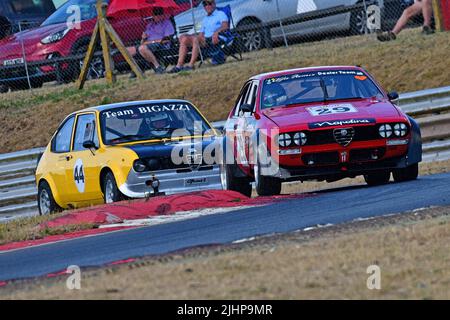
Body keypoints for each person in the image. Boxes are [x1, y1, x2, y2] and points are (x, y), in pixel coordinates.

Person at [169, 0, 229, 73]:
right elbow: (201, 34)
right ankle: (179, 66)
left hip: (217, 38)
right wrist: (190, 36)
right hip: (205, 40)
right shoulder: (205, 19)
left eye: (209, 3)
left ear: (214, 4)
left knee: (195, 40)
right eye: (205, 4)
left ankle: (191, 65)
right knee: (184, 38)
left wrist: (216, 32)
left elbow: (225, 26)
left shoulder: (220, 14)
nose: (207, 6)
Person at [127, 7, 175, 75]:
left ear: (163, 15)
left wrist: (151, 42)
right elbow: (142, 42)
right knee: (128, 50)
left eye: (159, 14)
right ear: (153, 15)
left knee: (142, 48)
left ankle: (157, 67)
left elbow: (166, 40)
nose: (158, 16)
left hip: (161, 45)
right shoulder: (149, 25)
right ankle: (137, 69)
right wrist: (143, 38)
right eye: (155, 14)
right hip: (148, 45)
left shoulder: (167, 23)